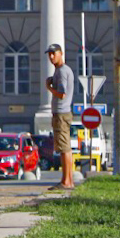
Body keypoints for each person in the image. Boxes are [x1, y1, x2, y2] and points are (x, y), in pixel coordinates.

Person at [45, 44, 76, 189]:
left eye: (53, 53)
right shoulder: (60, 71)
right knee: (65, 148)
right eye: (49, 54)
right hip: (62, 113)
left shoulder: (62, 71)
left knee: (64, 148)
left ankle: (66, 182)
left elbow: (62, 94)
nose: (51, 57)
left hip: (61, 113)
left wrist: (49, 88)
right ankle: (67, 180)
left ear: (61, 53)